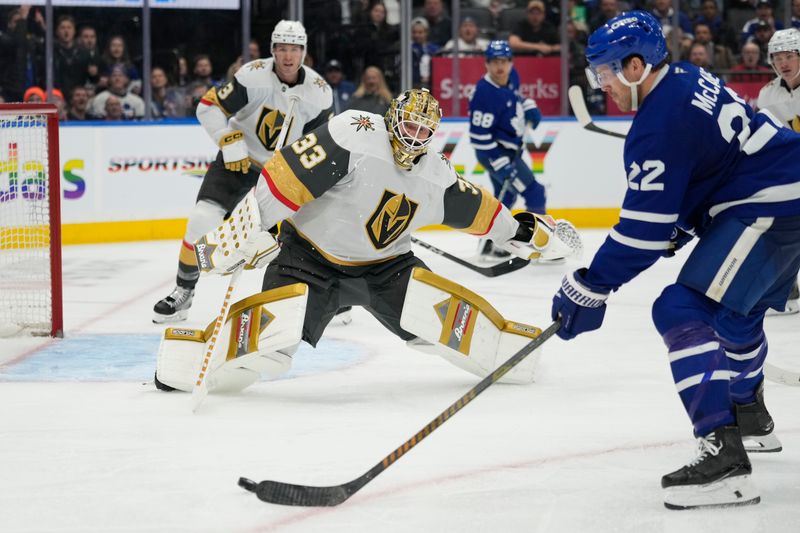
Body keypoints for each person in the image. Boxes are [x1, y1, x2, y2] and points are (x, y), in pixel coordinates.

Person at [153, 88, 581, 393]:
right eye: (408, 124)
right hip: (308, 259)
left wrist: (527, 233)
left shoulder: (435, 174)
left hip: (388, 269)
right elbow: (286, 177)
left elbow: (481, 210)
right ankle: (197, 358)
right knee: (269, 352)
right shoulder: (351, 133)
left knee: (434, 331)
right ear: (391, 116)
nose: (413, 137)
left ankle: (501, 344)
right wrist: (251, 228)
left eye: (423, 130)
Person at [551, 11, 800, 510]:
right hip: (782, 190)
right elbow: (711, 164)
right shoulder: (686, 75)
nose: (602, 86)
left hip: (770, 203)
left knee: (680, 310)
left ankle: (722, 458)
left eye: (605, 73)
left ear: (636, 66)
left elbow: (642, 234)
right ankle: (749, 416)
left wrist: (590, 285)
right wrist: (681, 224)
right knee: (735, 313)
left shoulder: (657, 125)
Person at [152, 20, 334, 323]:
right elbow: (207, 107)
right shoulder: (252, 77)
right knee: (201, 220)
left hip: (282, 172)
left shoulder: (320, 93)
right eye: (282, 49)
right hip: (238, 161)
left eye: (294, 49)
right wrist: (227, 139)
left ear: (304, 52)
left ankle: (328, 297)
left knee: (312, 233)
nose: (288, 57)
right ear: (273, 50)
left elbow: (320, 143)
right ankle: (183, 292)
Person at [468, 40, 543, 259]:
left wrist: (526, 104)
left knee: (507, 198)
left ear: (511, 63)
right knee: (535, 192)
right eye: (494, 62)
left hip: (509, 149)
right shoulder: (483, 94)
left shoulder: (512, 77)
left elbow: (515, 95)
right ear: (487, 64)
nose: (500, 67)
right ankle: (544, 245)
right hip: (495, 152)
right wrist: (500, 163)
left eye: (504, 61)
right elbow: (479, 138)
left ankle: (496, 243)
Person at [757, 28, 800, 315]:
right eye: (777, 57)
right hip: (792, 176)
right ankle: (789, 288)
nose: (783, 63)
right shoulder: (768, 95)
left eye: (789, 56)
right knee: (782, 231)